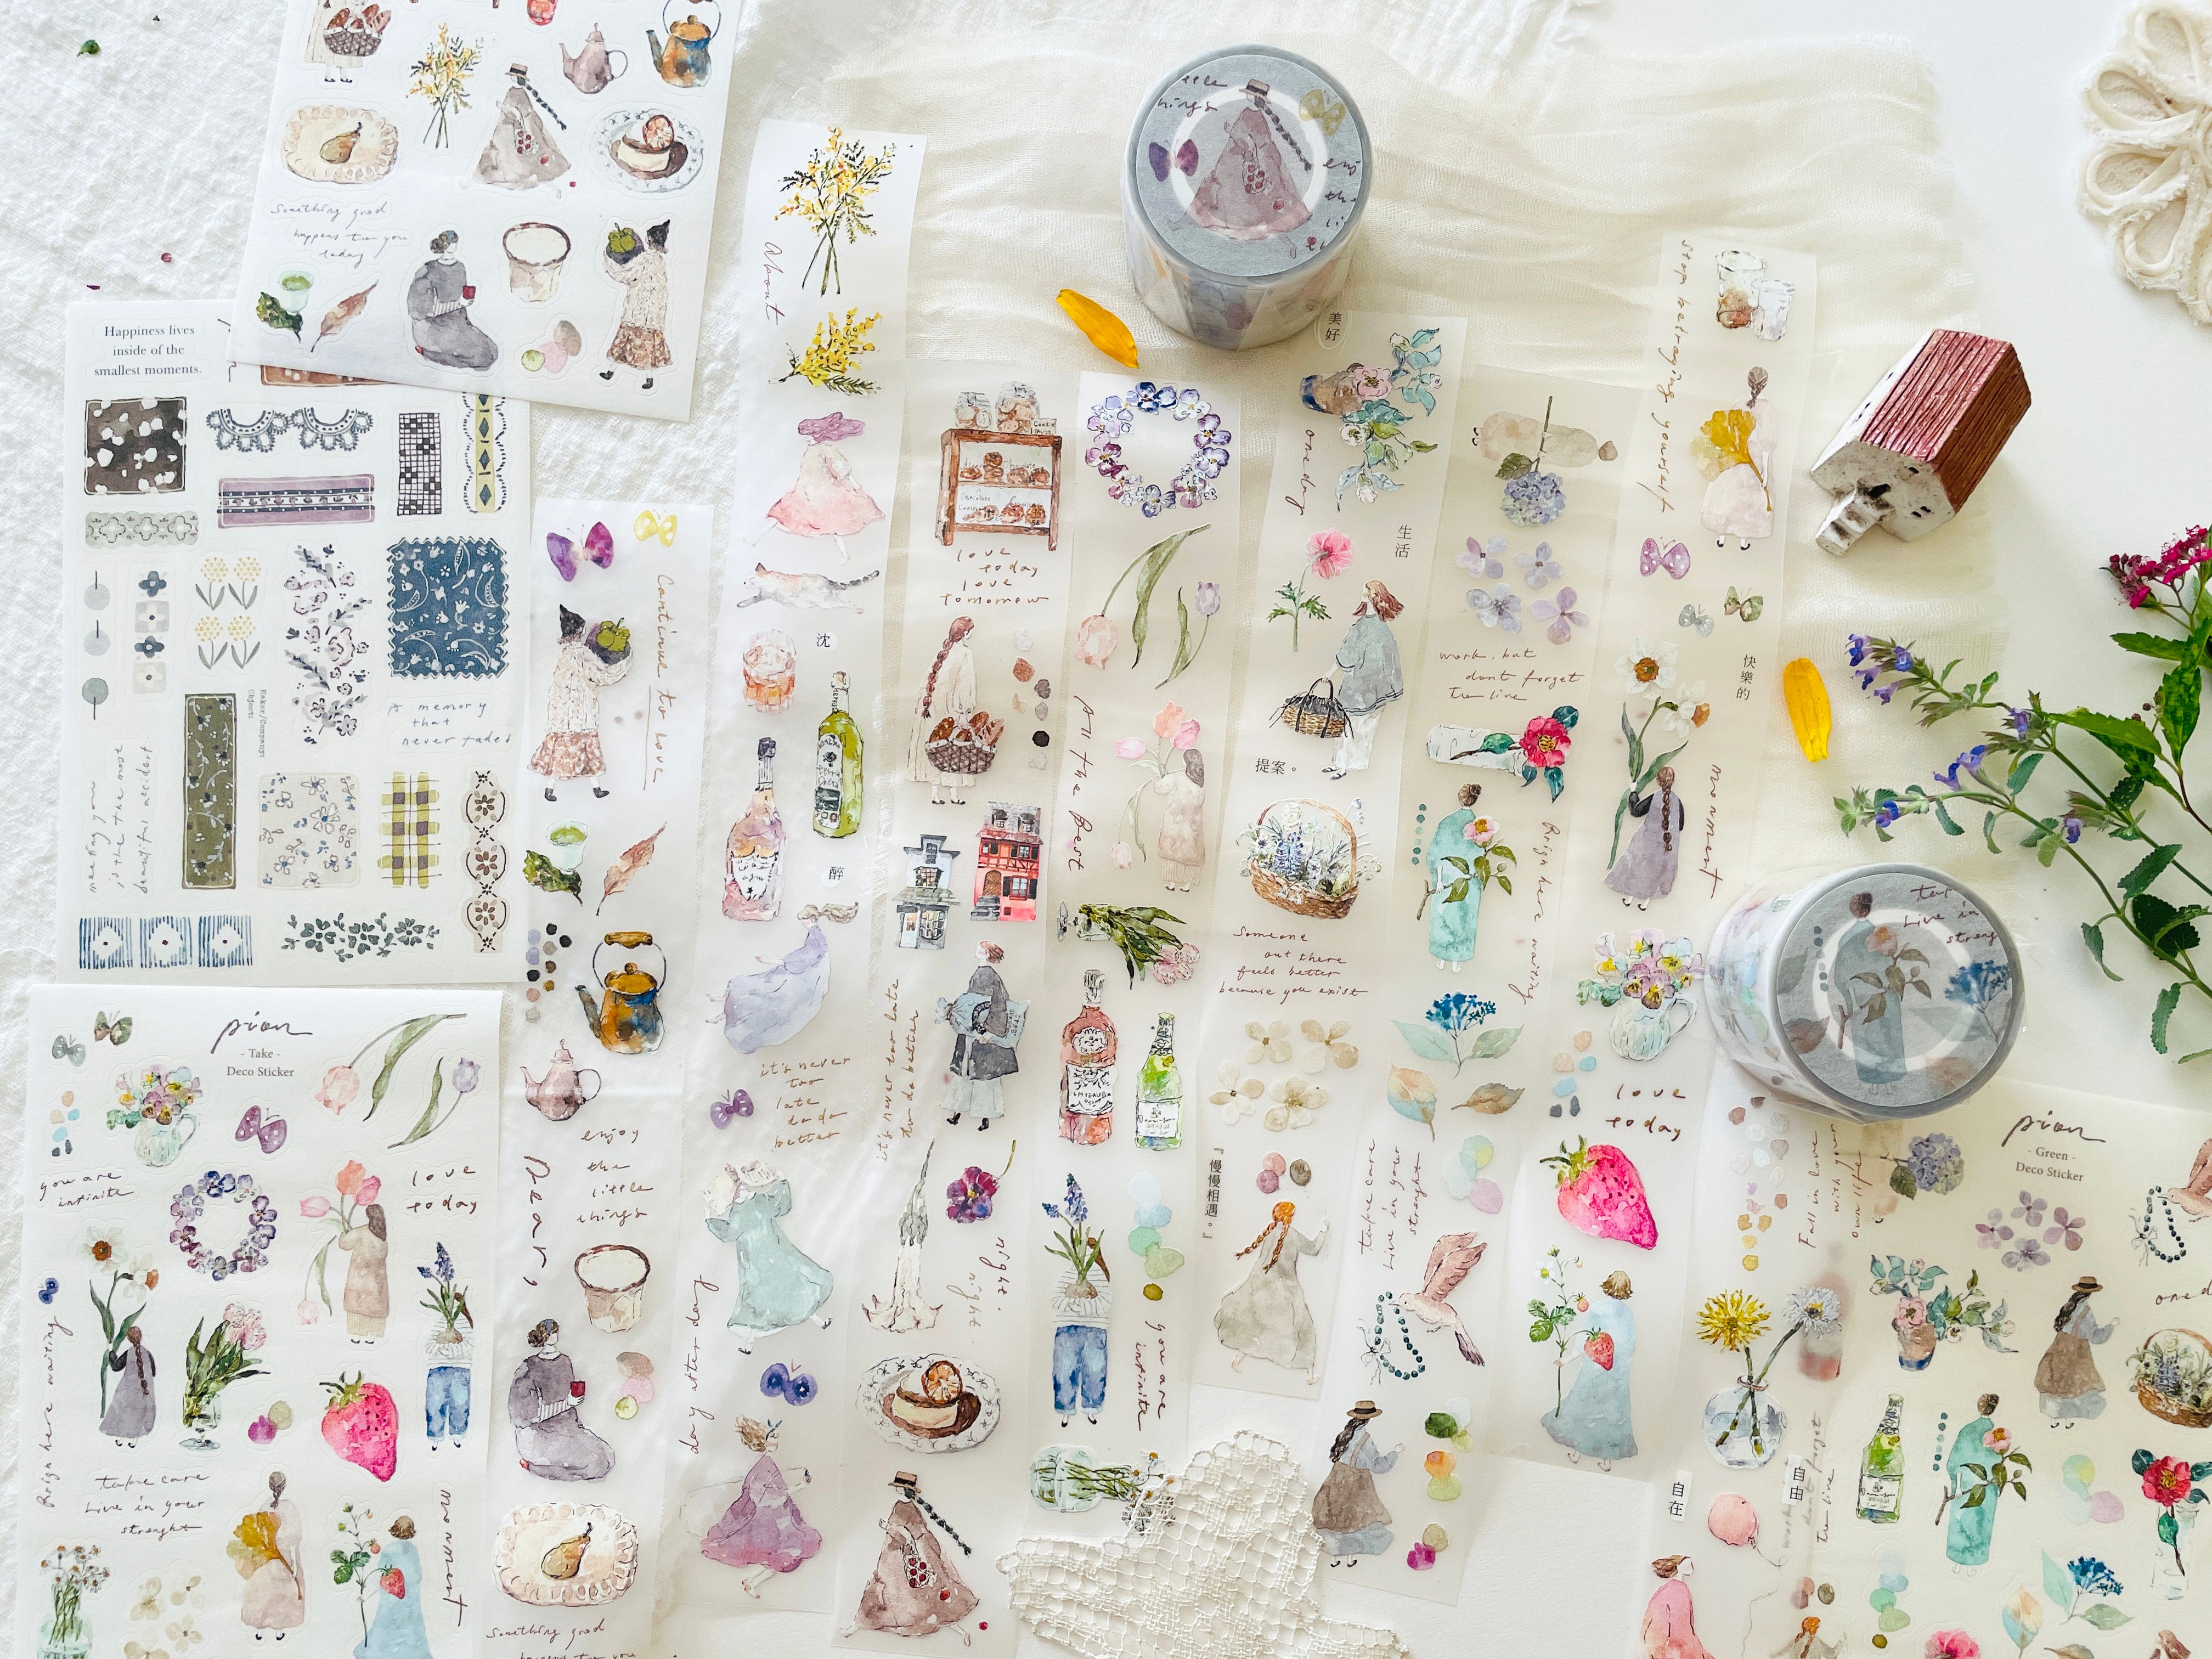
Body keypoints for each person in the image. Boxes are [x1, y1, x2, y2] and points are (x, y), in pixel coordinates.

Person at [704, 1161, 834, 1352]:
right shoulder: (744, 1207)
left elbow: (731, 1232)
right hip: (758, 1260)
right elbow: (731, 1232)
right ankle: (751, 1343)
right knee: (769, 1293)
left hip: (769, 1255)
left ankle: (818, 1321)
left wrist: (710, 1219)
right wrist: (710, 1219)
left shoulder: (752, 1204)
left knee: (790, 1284)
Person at [700, 1418, 821, 1595]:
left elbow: (774, 1492)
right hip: (769, 1522)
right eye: (772, 1437)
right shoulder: (764, 1466)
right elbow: (763, 1496)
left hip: (779, 1518)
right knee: (783, 1554)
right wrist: (800, 1486)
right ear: (763, 1442)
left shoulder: (767, 1463)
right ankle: (752, 1582)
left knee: (783, 1556)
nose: (776, 1440)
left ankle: (751, 1582)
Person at [851, 1472, 977, 1640]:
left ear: (901, 1489)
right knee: (934, 1599)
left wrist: (887, 1527)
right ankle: (962, 1632)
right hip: (920, 1554)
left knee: (892, 1592)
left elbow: (905, 1536)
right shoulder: (911, 1507)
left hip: (904, 1557)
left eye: (898, 1486)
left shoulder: (902, 1508)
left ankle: (857, 1626)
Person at [1212, 1201, 1328, 1384]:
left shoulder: (1270, 1232)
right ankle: (1309, 1373)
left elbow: (1262, 1260)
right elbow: (1314, 1249)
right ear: (1289, 1216)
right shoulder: (1292, 1235)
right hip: (1285, 1287)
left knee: (1256, 1321)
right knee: (1300, 1325)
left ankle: (1238, 1359)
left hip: (1261, 1283)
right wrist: (1323, 1231)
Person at [529, 606, 632, 797]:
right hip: (581, 713)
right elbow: (603, 674)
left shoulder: (564, 655)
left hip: (562, 716)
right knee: (587, 751)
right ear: (580, 631)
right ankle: (596, 789)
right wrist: (624, 662)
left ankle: (550, 789)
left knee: (559, 752)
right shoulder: (583, 654)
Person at [1542, 1270, 1638, 1469]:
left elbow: (1585, 1338)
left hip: (1594, 1370)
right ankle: (1607, 1460)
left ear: (1608, 1285)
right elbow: (1629, 1346)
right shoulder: (1627, 1313)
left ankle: (1577, 1454)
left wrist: (1568, 1359)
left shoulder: (1598, 1308)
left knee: (1584, 1409)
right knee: (1611, 1415)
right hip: (1617, 1374)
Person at [1187, 103, 1311, 241]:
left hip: (1253, 168)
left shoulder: (1251, 120)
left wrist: (1233, 133)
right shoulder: (1255, 120)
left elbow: (1249, 146)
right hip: (1251, 168)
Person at [509, 1319, 614, 1481]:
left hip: (567, 1429)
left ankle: (547, 1467)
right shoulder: (529, 1367)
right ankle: (534, 1467)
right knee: (596, 1464)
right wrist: (567, 1404)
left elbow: (569, 1407)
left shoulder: (565, 1361)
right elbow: (527, 1416)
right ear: (545, 1336)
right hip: (539, 1435)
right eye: (552, 1332)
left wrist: (573, 1405)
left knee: (608, 1457)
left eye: (556, 1332)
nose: (555, 1335)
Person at [936, 942, 1027, 1131]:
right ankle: (958, 1113)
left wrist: (990, 1032)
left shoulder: (990, 976)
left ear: (986, 953)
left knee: (984, 1078)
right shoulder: (981, 973)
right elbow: (973, 1004)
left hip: (984, 1035)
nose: (977, 950)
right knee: (966, 1074)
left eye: (981, 948)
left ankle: (984, 1118)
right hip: (972, 1033)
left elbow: (999, 1005)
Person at [766, 411, 883, 556]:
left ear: (813, 434)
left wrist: (854, 483)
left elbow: (840, 467)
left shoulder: (825, 449)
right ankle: (845, 555)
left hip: (824, 489)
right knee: (788, 514)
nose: (802, 437)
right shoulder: (810, 450)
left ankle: (845, 555)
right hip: (806, 490)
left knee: (831, 522)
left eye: (805, 433)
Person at [1323, 582, 1404, 778]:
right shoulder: (1378, 627)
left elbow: (1349, 654)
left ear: (1373, 596)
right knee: (1359, 728)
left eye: (1366, 591)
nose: (1363, 593)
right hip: (1372, 690)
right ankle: (1342, 763)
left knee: (1353, 727)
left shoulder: (1368, 627)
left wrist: (1331, 672)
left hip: (1360, 689)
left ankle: (1345, 765)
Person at [1832, 890, 1906, 1086]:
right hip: (1886, 995)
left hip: (1861, 998)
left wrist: (1851, 999)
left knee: (1868, 1038)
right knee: (1888, 1035)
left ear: (1853, 911)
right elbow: (1891, 966)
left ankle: (1873, 1079)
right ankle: (1892, 1077)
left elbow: (1842, 976)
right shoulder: (1883, 935)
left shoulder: (1847, 938)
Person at [908, 618, 981, 805]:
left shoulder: (943, 652)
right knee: (953, 752)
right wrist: (964, 711)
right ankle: (953, 795)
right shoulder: (965, 653)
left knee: (936, 750)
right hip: (950, 710)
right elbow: (965, 685)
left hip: (932, 708)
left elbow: (928, 682)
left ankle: (935, 795)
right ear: (966, 633)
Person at [1312, 1401, 1398, 1557]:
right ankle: (1348, 1550)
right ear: (1369, 1419)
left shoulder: (1345, 1434)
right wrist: (1395, 1454)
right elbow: (1378, 1466)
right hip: (1356, 1482)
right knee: (1357, 1517)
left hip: (1336, 1478)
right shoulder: (1365, 1438)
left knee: (1335, 1514)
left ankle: (1333, 1550)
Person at [406, 231, 498, 371]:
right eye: (451, 242)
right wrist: (459, 304)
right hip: (432, 328)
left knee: (492, 351)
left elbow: (460, 303)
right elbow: (421, 312)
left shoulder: (460, 267)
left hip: (457, 323)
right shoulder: (427, 271)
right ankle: (428, 353)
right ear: (444, 244)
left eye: (455, 242)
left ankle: (443, 355)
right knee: (482, 356)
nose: (454, 245)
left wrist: (465, 303)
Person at [1426, 783, 1493, 969]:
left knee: (1444, 918)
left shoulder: (1447, 823)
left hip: (1447, 881)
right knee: (1463, 922)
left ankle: (1442, 960)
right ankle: (1456, 962)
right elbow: (1480, 859)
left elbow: (1436, 855)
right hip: (1468, 885)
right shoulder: (1479, 827)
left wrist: (1440, 880)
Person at [601, 221, 672, 391]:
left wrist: (608, 260)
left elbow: (625, 275)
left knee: (625, 342)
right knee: (648, 347)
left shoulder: (643, 259)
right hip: (652, 313)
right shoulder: (660, 261)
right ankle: (649, 378)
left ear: (649, 239)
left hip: (637, 310)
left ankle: (611, 372)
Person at [234, 1470, 306, 1637]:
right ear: (284, 1486)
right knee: (278, 1592)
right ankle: (277, 1629)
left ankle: (261, 1628)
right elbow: (295, 1537)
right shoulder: (289, 1507)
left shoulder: (265, 1505)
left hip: (267, 1556)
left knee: (265, 1590)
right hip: (280, 1556)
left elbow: (259, 1532)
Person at [2036, 1277, 2115, 1422]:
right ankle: (2068, 1420)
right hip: (2076, 1351)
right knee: (2075, 1383)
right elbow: (2096, 1337)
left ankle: (2054, 1418)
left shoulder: (2069, 1306)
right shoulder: (2085, 1311)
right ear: (2091, 1293)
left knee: (2056, 1380)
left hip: (2060, 1346)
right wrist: (2111, 1326)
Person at [1606, 765, 1685, 906]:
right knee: (1657, 871)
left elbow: (1636, 812)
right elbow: (1681, 826)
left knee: (1638, 865)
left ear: (1658, 780)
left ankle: (1631, 897)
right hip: (1666, 850)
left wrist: (1633, 792)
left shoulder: (1655, 797)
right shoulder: (1678, 802)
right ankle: (1647, 902)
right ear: (1673, 781)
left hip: (1646, 844)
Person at [354, 1516, 432, 1659]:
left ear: (395, 1529)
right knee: (411, 1633)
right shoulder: (413, 1550)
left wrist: (367, 1594)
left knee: (385, 1629)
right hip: (410, 1603)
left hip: (390, 1601)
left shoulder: (389, 1550)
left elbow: (380, 1576)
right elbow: (417, 1577)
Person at [1940, 1393, 2002, 1567]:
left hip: (1966, 1488)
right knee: (1980, 1525)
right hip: (1984, 1490)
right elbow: (1997, 1467)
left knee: (1962, 1522)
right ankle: (1974, 1561)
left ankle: (1957, 1560)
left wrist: (1958, 1486)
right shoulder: (1995, 1435)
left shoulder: (1968, 1431)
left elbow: (1955, 1462)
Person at [1153, 747, 1206, 891]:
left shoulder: (1176, 777)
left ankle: (1172, 884)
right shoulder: (1201, 782)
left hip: (1175, 823)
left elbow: (1159, 788)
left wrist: (1160, 777)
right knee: (1191, 855)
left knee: (1172, 852)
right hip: (1193, 827)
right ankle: (1187, 885)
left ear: (1185, 761)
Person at [1641, 1556, 1715, 1659]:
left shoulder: (1677, 1589)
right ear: (1679, 1566)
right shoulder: (1676, 1590)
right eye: (1687, 1564)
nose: (1691, 1567)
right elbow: (1681, 1628)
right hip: (1674, 1647)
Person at [338, 1203, 388, 1341]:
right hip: (377, 1280)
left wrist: (344, 1233)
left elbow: (344, 1244)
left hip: (360, 1277)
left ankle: (357, 1335)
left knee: (358, 1304)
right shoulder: (382, 1235)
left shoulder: (360, 1232)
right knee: (375, 1305)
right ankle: (372, 1337)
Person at [100, 1324, 156, 1443]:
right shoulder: (148, 1353)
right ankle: (135, 1439)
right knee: (139, 1414)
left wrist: (112, 1353)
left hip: (128, 1391)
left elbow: (116, 1367)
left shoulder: (129, 1353)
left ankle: (121, 1438)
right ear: (140, 1337)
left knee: (123, 1410)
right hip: (144, 1393)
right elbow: (154, 1372)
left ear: (129, 1339)